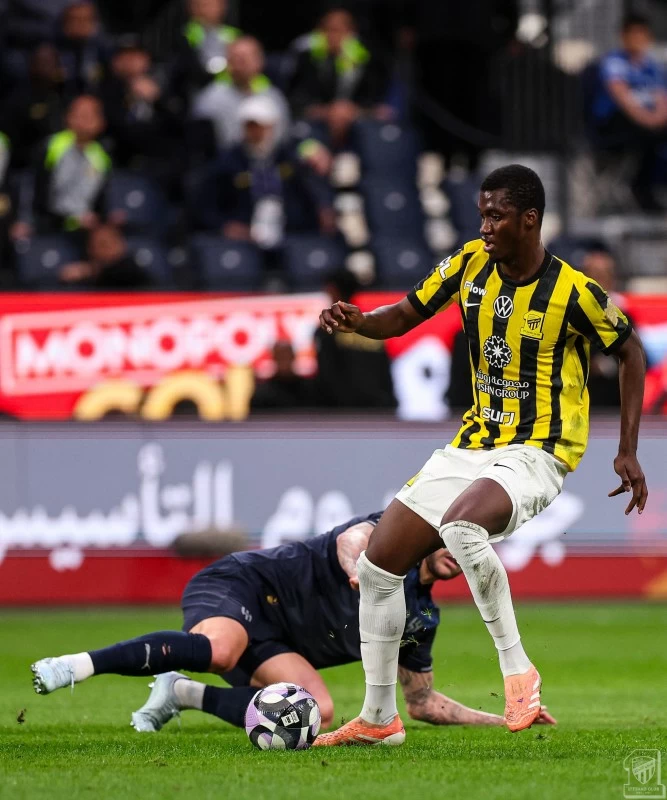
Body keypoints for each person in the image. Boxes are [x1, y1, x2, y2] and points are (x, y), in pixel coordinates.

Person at [317, 164, 647, 745]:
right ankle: (379, 717)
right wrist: (361, 321)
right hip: (473, 444)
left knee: (462, 528)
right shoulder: (470, 263)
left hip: (540, 449)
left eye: (496, 216)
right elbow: (406, 313)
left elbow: (630, 352)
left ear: (530, 220)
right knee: (377, 566)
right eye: (482, 214)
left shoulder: (575, 292)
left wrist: (627, 450)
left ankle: (519, 672)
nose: (485, 226)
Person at [29, 512, 556, 732]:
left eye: (472, 550)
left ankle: (182, 693)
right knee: (220, 650)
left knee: (316, 712)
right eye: (455, 541)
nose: (458, 555)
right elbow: (352, 539)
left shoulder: (419, 617)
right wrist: (357, 569)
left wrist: (502, 720)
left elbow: (421, 702)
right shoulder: (390, 538)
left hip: (278, 640)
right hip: (245, 586)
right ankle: (75, 665)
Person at [191, 95, 335, 249]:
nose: (256, 133)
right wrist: (224, 225)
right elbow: (204, 205)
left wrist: (322, 209)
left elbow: (310, 193)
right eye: (250, 127)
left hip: (289, 234)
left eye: (261, 127)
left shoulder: (289, 159)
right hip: (244, 239)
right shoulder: (228, 162)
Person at [591, 13, 667, 210]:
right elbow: (624, 100)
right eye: (634, 34)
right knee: (649, 136)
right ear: (623, 36)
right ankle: (640, 188)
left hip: (648, 126)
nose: (638, 39)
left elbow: (661, 99)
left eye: (642, 34)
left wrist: (658, 119)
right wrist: (649, 121)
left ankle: (648, 187)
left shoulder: (652, 66)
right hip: (615, 125)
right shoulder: (614, 62)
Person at [12, 95, 112, 240]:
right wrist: (24, 220)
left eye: (91, 115)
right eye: (80, 114)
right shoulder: (52, 146)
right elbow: (29, 185)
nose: (84, 120)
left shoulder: (102, 158)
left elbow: (101, 201)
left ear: (101, 122)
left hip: (83, 230)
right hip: (45, 223)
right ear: (68, 117)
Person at [288, 8, 390, 148]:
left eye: (337, 30)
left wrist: (352, 111)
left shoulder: (367, 58)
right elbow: (297, 99)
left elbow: (377, 99)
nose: (331, 36)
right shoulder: (307, 58)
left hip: (358, 121)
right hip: (318, 122)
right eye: (326, 30)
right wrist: (327, 111)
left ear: (351, 32)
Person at [191, 36, 290, 150]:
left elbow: (284, 139)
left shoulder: (274, 98)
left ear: (259, 62)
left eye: (243, 60)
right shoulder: (210, 99)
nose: (238, 66)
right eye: (233, 60)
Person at [59, 223, 153, 288]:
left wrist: (90, 270)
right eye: (101, 245)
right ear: (90, 249)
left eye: (110, 243)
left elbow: (120, 273)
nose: (107, 248)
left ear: (121, 244)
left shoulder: (132, 269)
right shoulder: (85, 280)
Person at [250, 340, 315, 411]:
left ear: (293, 357)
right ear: (274, 359)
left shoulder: (308, 389)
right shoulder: (263, 393)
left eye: (287, 356)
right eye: (280, 356)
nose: (284, 360)